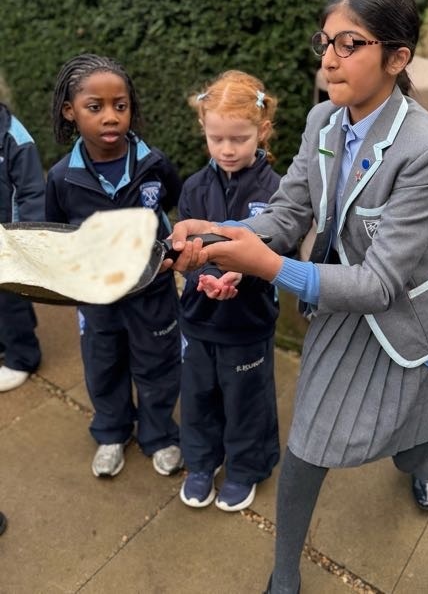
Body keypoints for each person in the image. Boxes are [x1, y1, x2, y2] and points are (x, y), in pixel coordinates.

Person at [165, 0, 428, 594]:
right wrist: (217, 234)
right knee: (308, 442)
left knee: (414, 422)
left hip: (410, 314)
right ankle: (285, 573)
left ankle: (419, 459)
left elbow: (382, 283)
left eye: (349, 44)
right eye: (326, 42)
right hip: (341, 300)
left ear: (397, 58)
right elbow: (286, 215)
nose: (330, 59)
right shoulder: (322, 121)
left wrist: (269, 267)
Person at [46, 54, 183, 479]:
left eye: (119, 106)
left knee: (158, 366)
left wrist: (167, 255)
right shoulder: (62, 178)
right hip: (97, 298)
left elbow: (172, 208)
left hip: (152, 293)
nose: (110, 116)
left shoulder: (153, 164)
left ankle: (159, 434)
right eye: (95, 107)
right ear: (70, 112)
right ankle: (111, 431)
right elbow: (56, 234)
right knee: (103, 365)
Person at [177, 70, 282, 512]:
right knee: (198, 396)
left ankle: (245, 468)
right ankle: (202, 463)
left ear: (262, 131)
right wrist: (200, 275)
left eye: (239, 139)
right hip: (199, 318)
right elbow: (183, 248)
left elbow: (281, 248)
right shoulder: (193, 188)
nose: (226, 149)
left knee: (246, 400)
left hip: (248, 322)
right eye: (216, 138)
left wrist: (244, 273)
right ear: (203, 128)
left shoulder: (276, 190)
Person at [0, 97, 45, 392]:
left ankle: (23, 357)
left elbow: (31, 192)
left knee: (10, 299)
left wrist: (25, 238)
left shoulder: (14, 138)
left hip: (9, 237)